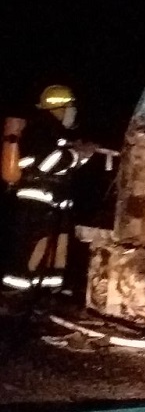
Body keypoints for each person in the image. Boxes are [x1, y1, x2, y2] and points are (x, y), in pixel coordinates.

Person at [1, 85, 95, 306]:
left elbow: (61, 163)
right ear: (60, 108)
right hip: (38, 201)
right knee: (33, 246)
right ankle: (15, 296)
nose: (73, 112)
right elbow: (48, 163)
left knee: (54, 246)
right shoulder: (42, 129)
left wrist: (80, 155)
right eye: (71, 107)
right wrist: (79, 154)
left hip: (51, 201)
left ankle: (47, 293)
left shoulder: (53, 131)